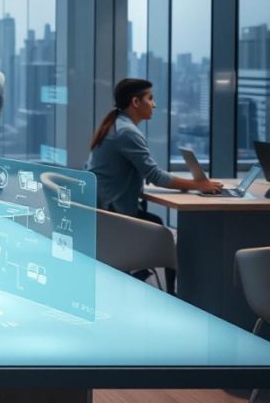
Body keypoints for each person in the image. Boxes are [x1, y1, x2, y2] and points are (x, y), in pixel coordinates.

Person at [85, 78, 222, 293]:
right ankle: (174, 294)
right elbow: (156, 175)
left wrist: (195, 184)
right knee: (166, 234)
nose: (154, 104)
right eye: (150, 98)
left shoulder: (116, 124)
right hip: (114, 215)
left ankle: (153, 280)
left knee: (158, 225)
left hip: (103, 211)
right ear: (136, 102)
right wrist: (200, 185)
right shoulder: (127, 132)